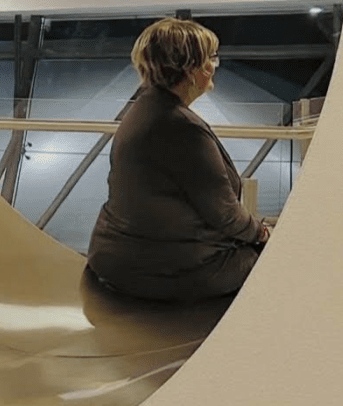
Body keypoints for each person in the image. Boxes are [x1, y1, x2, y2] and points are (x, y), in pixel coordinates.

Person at [86, 17, 270, 302]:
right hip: (164, 270)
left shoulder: (142, 110)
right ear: (190, 67)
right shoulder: (182, 127)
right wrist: (263, 233)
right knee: (274, 262)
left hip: (114, 260)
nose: (214, 66)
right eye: (211, 58)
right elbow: (226, 215)